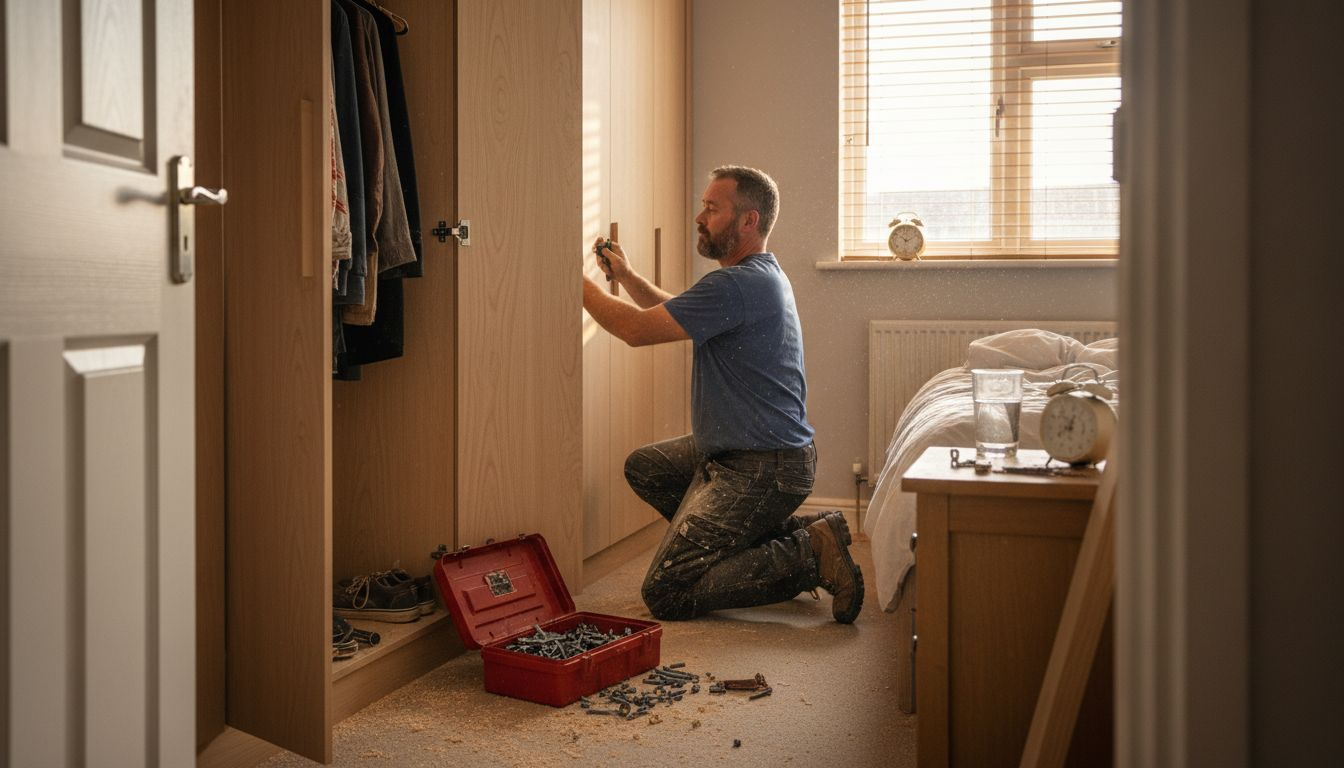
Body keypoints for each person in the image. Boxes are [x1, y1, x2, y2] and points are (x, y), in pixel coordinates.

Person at [581, 165, 864, 623]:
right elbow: (671, 313)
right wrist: (628, 276)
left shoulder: (738, 283)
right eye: (703, 206)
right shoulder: (756, 276)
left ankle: (806, 555)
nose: (700, 217)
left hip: (764, 466)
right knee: (648, 468)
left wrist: (573, 282)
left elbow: (635, 330)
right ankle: (802, 533)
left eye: (712, 209)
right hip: (745, 453)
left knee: (668, 590)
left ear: (748, 221)